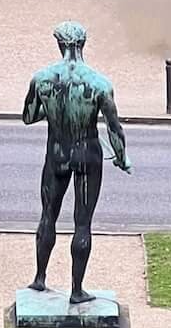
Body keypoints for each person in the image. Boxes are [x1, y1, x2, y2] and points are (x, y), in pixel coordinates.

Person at [22, 21, 130, 304]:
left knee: (48, 215)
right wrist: (121, 156)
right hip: (87, 154)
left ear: (59, 44)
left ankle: (40, 277)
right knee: (83, 223)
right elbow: (114, 129)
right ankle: (76, 289)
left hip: (56, 153)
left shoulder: (42, 78)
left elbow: (29, 116)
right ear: (83, 44)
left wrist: (55, 111)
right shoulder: (99, 83)